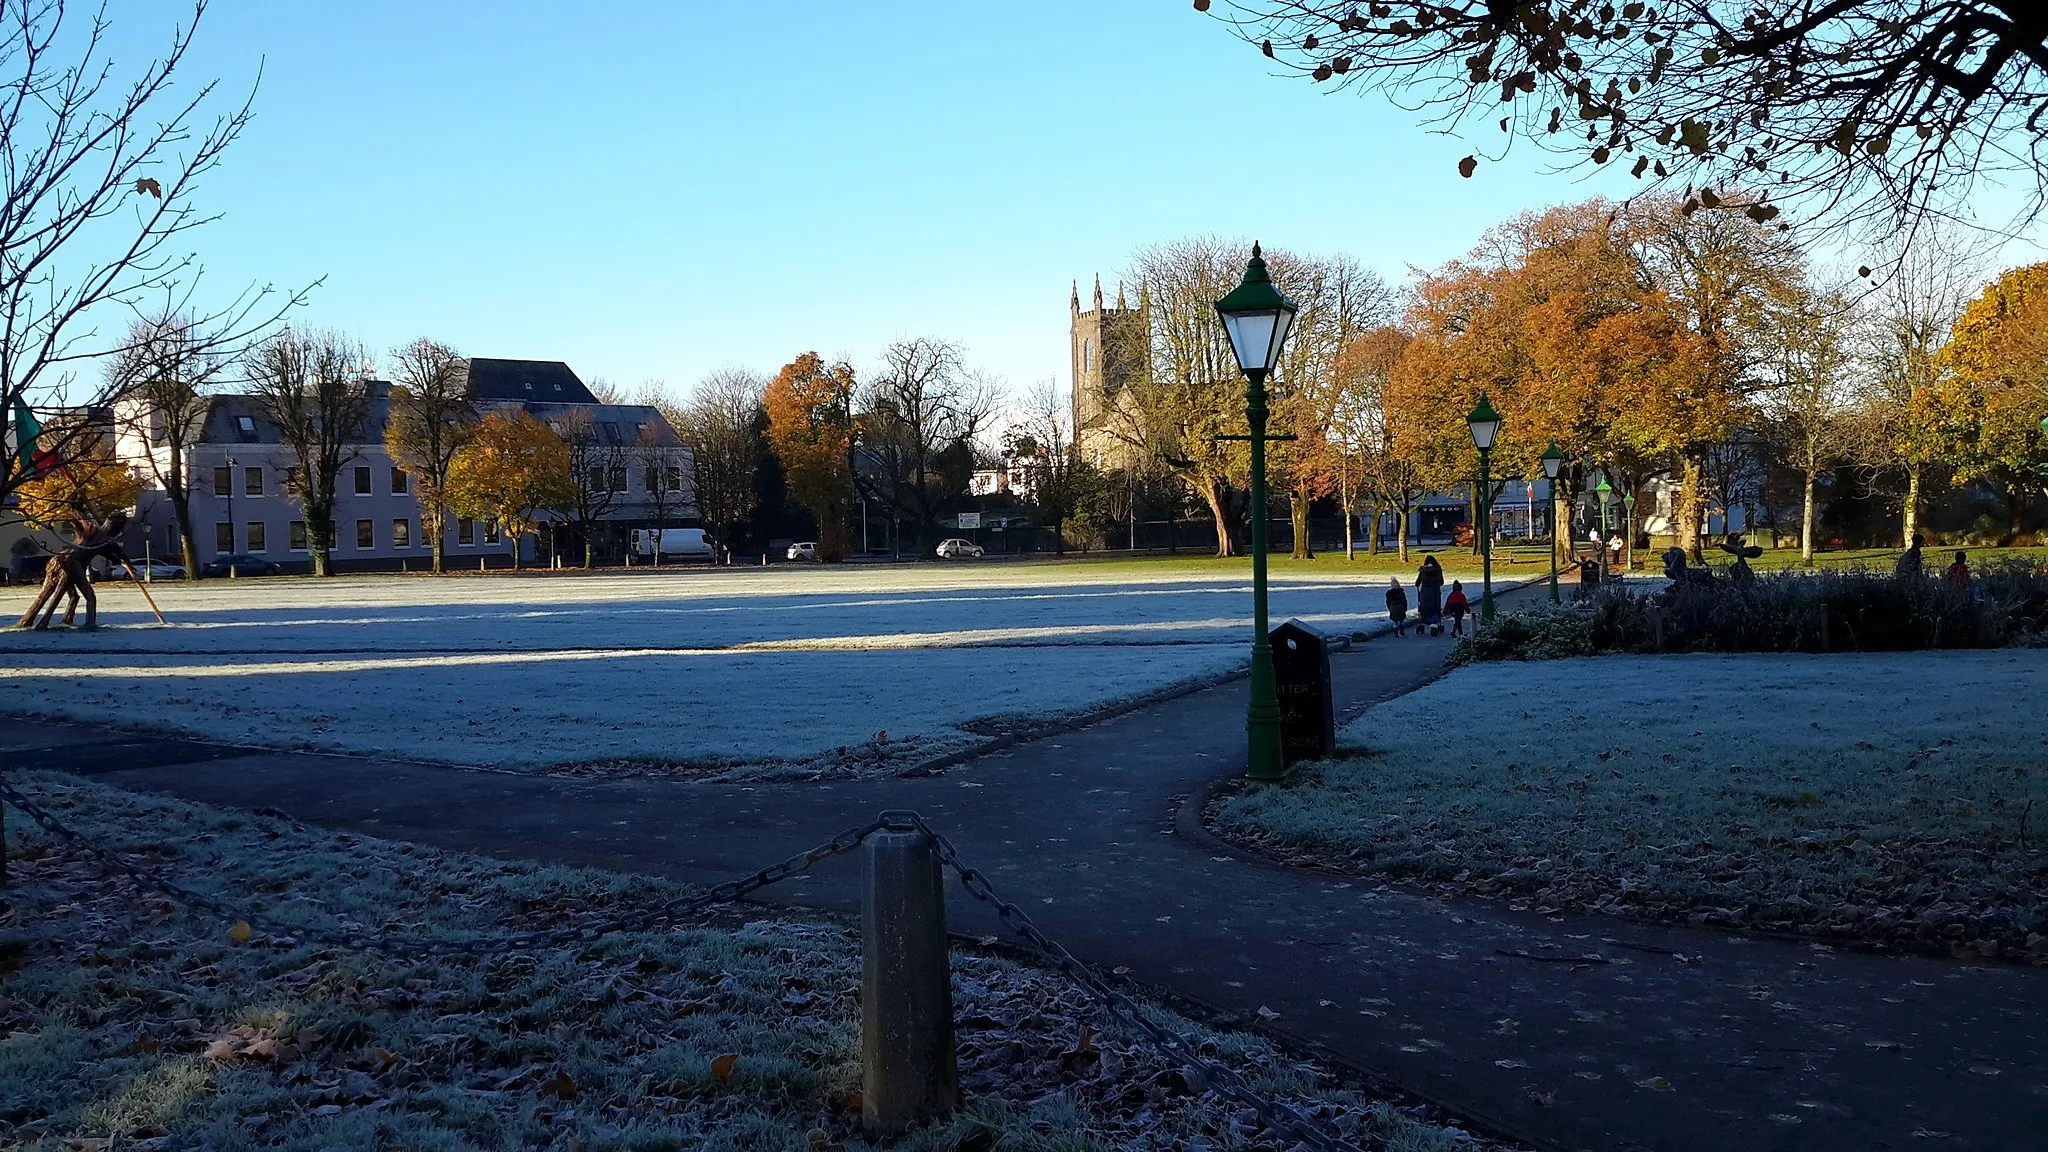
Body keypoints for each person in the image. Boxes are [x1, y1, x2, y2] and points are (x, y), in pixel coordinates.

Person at [1415, 554, 1445, 636]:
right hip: (1435, 591)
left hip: (1425, 592)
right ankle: (1434, 623)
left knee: (1424, 608)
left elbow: (1417, 582)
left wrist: (1418, 584)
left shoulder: (1423, 570)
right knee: (1435, 608)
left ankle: (1424, 621)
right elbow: (1441, 582)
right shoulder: (1438, 570)